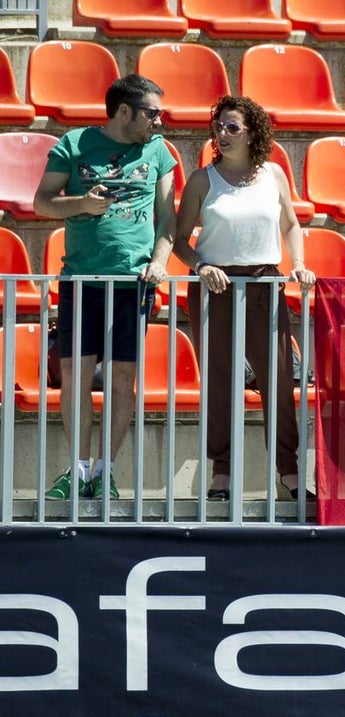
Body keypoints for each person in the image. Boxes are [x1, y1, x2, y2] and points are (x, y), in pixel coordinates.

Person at [33, 74, 176, 501]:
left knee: (122, 377)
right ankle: (76, 471)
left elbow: (167, 220)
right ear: (124, 111)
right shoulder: (73, 144)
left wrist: (160, 261)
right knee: (76, 375)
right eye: (152, 113)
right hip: (81, 279)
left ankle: (105, 470)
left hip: (134, 282)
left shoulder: (159, 151)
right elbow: (42, 202)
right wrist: (81, 204)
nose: (159, 122)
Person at [173, 95, 316, 502]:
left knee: (277, 380)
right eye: (218, 126)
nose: (222, 133)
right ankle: (222, 473)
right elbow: (180, 240)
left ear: (253, 131)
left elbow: (291, 224)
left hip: (264, 284)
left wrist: (300, 263)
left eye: (232, 127)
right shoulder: (203, 179)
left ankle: (287, 471)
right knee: (220, 381)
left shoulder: (273, 174)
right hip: (215, 286)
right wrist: (201, 266)